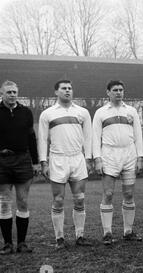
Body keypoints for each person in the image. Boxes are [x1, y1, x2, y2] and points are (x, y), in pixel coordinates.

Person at [0, 80, 39, 254]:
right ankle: (7, 244)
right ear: (1, 94)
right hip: (1, 161)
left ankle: (22, 243)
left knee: (22, 201)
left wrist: (36, 162)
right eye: (8, 92)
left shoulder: (26, 112)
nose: (12, 95)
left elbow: (32, 139)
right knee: (4, 203)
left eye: (15, 92)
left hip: (23, 160)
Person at [38, 80, 93, 250]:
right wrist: (43, 161)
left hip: (77, 159)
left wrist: (88, 158)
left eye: (70, 88)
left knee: (80, 199)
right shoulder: (47, 114)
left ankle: (80, 236)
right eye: (64, 88)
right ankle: (59, 238)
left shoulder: (82, 112)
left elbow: (88, 137)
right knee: (58, 200)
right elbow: (42, 139)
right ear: (56, 92)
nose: (68, 91)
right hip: (58, 159)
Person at [92, 80, 143, 245]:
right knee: (108, 194)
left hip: (129, 153)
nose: (118, 92)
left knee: (128, 194)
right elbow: (95, 137)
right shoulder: (101, 112)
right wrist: (97, 158)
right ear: (108, 92)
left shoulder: (131, 111)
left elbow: (138, 135)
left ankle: (128, 231)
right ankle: (107, 233)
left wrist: (140, 157)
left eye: (121, 89)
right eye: (115, 90)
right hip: (109, 154)